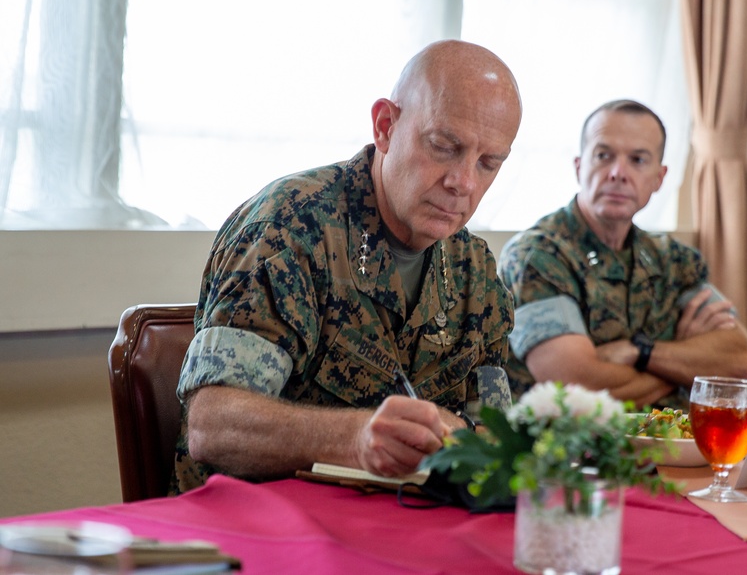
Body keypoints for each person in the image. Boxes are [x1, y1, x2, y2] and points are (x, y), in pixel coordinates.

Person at [171, 40, 522, 493]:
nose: (464, 183)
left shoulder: (474, 269)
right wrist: (354, 437)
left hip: (401, 526)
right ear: (385, 127)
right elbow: (212, 426)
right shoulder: (290, 228)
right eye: (443, 146)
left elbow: (494, 431)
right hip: (257, 529)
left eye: (489, 163)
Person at [498, 99, 747, 408]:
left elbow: (740, 362)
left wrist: (641, 351)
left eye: (637, 159)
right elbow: (576, 386)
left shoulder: (673, 260)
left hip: (666, 447)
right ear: (580, 167)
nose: (618, 172)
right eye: (604, 156)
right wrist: (681, 367)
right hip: (563, 449)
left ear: (659, 178)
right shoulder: (538, 255)